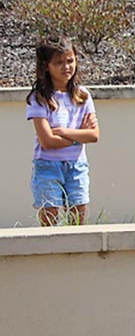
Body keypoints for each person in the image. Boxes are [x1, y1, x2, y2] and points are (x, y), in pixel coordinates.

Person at [26, 37, 99, 226]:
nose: (66, 67)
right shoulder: (40, 98)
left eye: (70, 61)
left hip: (77, 166)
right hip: (48, 167)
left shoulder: (82, 96)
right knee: (50, 219)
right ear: (46, 66)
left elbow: (93, 135)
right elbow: (47, 142)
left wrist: (64, 132)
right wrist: (78, 136)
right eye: (59, 63)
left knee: (78, 218)